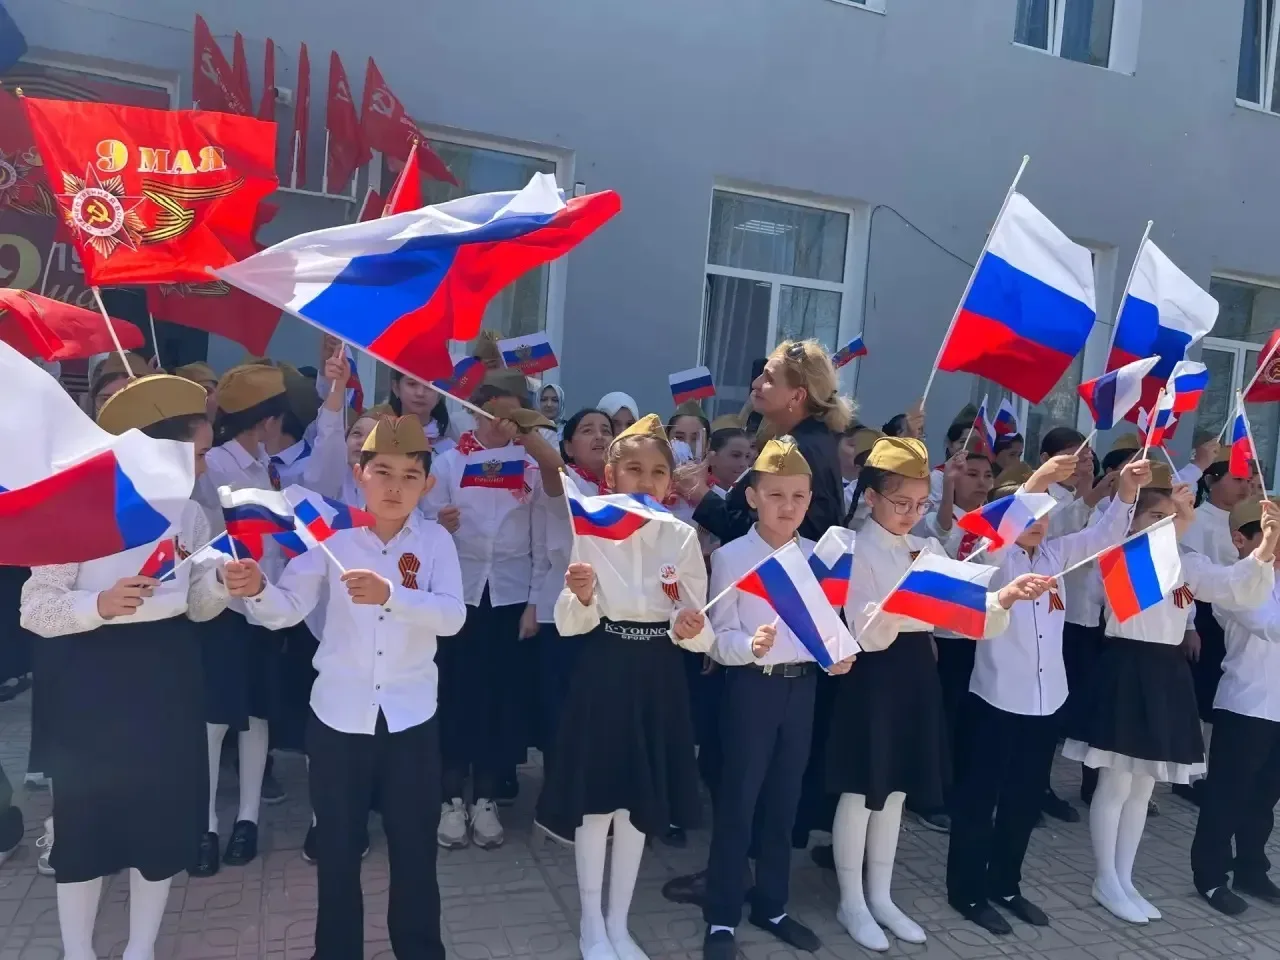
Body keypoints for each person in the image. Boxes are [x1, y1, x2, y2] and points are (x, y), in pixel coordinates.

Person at [223, 414, 464, 960]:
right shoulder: (330, 537)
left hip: (410, 719)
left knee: (414, 849)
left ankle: (419, 950)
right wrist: (257, 588)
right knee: (337, 848)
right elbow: (287, 609)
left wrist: (392, 595)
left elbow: (453, 617)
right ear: (360, 474)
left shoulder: (435, 542)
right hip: (338, 718)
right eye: (383, 472)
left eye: (410, 475)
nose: (395, 486)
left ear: (427, 483)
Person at [20, 373, 227, 960]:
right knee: (86, 824)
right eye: (198, 453)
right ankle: (78, 951)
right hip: (92, 681)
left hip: (168, 678)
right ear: (157, 449)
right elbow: (35, 608)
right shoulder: (79, 505)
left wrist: (222, 584)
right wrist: (100, 604)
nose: (206, 465)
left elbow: (197, 606)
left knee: (158, 822)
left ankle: (141, 947)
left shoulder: (190, 515)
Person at [829, 436, 1049, 951]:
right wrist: (912, 602)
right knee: (862, 790)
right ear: (871, 497)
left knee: (897, 790)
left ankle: (881, 895)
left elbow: (959, 609)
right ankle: (851, 900)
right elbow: (863, 628)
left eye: (919, 503)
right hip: (871, 674)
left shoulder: (925, 548)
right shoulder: (849, 546)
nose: (911, 513)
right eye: (900, 502)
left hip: (915, 673)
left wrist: (1002, 597)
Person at [1062, 473, 1279, 925]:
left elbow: (1232, 586)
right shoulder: (1120, 555)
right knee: (1115, 783)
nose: (1165, 523)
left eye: (1170, 515)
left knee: (1144, 785)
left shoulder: (1187, 559)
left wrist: (1264, 548)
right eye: (1155, 516)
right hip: (1128, 667)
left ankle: (1125, 877)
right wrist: (1175, 530)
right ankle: (1106, 877)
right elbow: (1130, 594)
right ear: (1133, 519)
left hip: (1166, 673)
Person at [536, 413, 712, 960]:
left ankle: (619, 923)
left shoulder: (680, 536)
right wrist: (583, 594)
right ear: (611, 476)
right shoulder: (591, 528)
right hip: (606, 669)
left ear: (670, 480)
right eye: (633, 469)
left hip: (659, 674)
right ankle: (591, 924)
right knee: (598, 803)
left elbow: (696, 622)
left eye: (658, 472)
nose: (646, 481)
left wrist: (690, 626)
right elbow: (570, 622)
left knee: (639, 804)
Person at [946, 453, 1145, 935]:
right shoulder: (994, 555)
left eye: (1043, 514)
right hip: (996, 700)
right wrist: (1036, 480)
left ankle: (1005, 884)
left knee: (1023, 799)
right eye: (1027, 514)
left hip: (1045, 700)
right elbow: (996, 540)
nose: (1037, 523)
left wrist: (1126, 492)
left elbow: (1102, 536)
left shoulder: (1054, 556)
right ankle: (967, 891)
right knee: (979, 800)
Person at [702, 437, 855, 960]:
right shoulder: (732, 557)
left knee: (785, 800)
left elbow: (827, 630)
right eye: (775, 495)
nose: (787, 507)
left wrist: (836, 657)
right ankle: (722, 914)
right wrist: (749, 646)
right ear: (752, 497)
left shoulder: (817, 558)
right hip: (752, 688)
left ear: (810, 500)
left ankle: (772, 904)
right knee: (739, 800)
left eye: (798, 496)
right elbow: (718, 638)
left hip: (802, 688)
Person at [421, 375, 561, 850]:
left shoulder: (530, 466)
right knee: (455, 697)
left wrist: (534, 602)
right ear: (476, 411)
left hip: (509, 597)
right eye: (494, 412)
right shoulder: (448, 461)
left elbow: (542, 538)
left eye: (512, 415)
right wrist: (438, 523)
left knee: (499, 700)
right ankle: (449, 800)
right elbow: (422, 526)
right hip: (457, 595)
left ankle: (485, 798)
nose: (502, 424)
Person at [195, 363, 291, 876]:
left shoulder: (267, 466)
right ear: (267, 420)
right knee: (214, 717)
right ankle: (206, 823)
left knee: (257, 714)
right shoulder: (214, 465)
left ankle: (247, 818)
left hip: (264, 606)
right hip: (223, 608)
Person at [1191, 498, 1280, 915]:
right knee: (1227, 795)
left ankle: (1251, 868)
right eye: (1271, 535)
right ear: (1242, 539)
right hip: (1245, 705)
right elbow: (1269, 626)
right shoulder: (1233, 584)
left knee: (1264, 797)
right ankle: (1210, 876)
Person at [909, 447, 998, 833]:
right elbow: (943, 532)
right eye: (971, 474)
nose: (981, 482)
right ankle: (930, 797)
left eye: (987, 476)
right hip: (943, 636)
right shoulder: (935, 519)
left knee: (970, 720)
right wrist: (946, 491)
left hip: (979, 635)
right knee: (941, 718)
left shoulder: (996, 523)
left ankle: (963, 792)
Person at [1179, 447, 1253, 807]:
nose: (1246, 486)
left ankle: (1210, 771)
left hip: (1239, 611)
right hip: (1206, 614)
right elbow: (1187, 577)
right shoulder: (1198, 519)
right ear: (1211, 481)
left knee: (1222, 695)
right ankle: (1190, 775)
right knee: (1201, 694)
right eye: (1237, 479)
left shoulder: (1248, 519)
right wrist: (1190, 625)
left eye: (1249, 479)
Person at [539, 408, 613, 766]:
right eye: (587, 430)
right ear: (568, 446)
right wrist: (524, 432)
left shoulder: (624, 491)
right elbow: (551, 466)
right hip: (564, 612)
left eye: (606, 430)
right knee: (562, 708)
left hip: (608, 615)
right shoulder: (568, 484)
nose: (599, 436)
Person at [390, 370, 457, 453]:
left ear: (439, 395)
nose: (420, 393)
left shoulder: (451, 451)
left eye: (430, 386)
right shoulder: (379, 440)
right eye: (412, 384)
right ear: (396, 388)